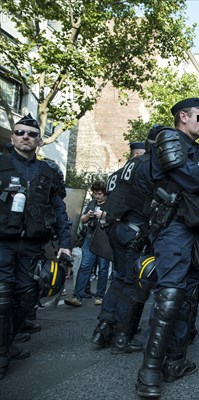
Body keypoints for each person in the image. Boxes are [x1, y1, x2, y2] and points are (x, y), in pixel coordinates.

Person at [135, 98, 199, 397]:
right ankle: (148, 373)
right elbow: (194, 180)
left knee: (186, 296)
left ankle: (175, 361)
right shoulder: (170, 139)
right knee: (170, 295)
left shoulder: (190, 147)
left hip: (193, 229)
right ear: (182, 116)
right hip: (174, 227)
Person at [0, 113, 71, 380]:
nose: (25, 137)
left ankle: (6, 341)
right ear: (13, 136)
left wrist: (65, 243)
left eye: (31, 134)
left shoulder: (48, 171)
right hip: (3, 243)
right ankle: (2, 354)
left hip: (32, 245)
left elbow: (59, 211)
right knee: (2, 297)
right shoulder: (2, 164)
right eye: (20, 133)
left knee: (28, 297)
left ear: (39, 140)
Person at [93, 129, 158, 354]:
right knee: (132, 283)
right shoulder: (150, 166)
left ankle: (103, 328)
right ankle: (123, 336)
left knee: (120, 279)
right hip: (135, 231)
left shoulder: (123, 170)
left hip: (117, 228)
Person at [65, 181, 110, 307]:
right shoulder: (92, 203)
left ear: (105, 194)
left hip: (104, 239)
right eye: (95, 194)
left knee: (103, 268)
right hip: (90, 237)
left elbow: (115, 218)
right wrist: (88, 215)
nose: (97, 196)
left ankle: (100, 296)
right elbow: (83, 220)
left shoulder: (110, 204)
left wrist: (103, 215)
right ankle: (77, 296)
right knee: (85, 267)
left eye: (100, 194)